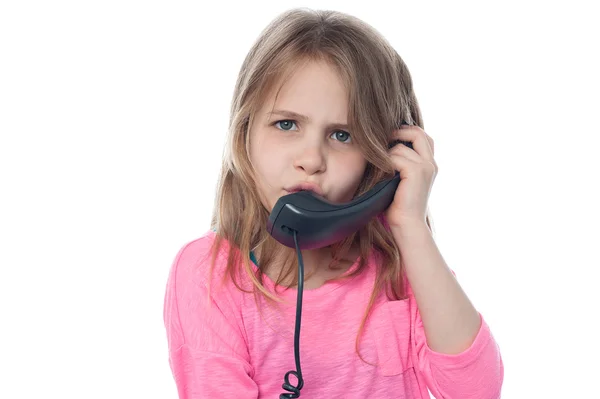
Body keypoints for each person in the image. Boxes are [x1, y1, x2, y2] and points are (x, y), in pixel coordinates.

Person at [163, 7, 504, 399]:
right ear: (245, 135)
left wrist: (412, 227)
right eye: (286, 124)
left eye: (342, 135)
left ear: (384, 158)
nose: (311, 159)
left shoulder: (403, 272)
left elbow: (476, 392)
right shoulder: (209, 275)